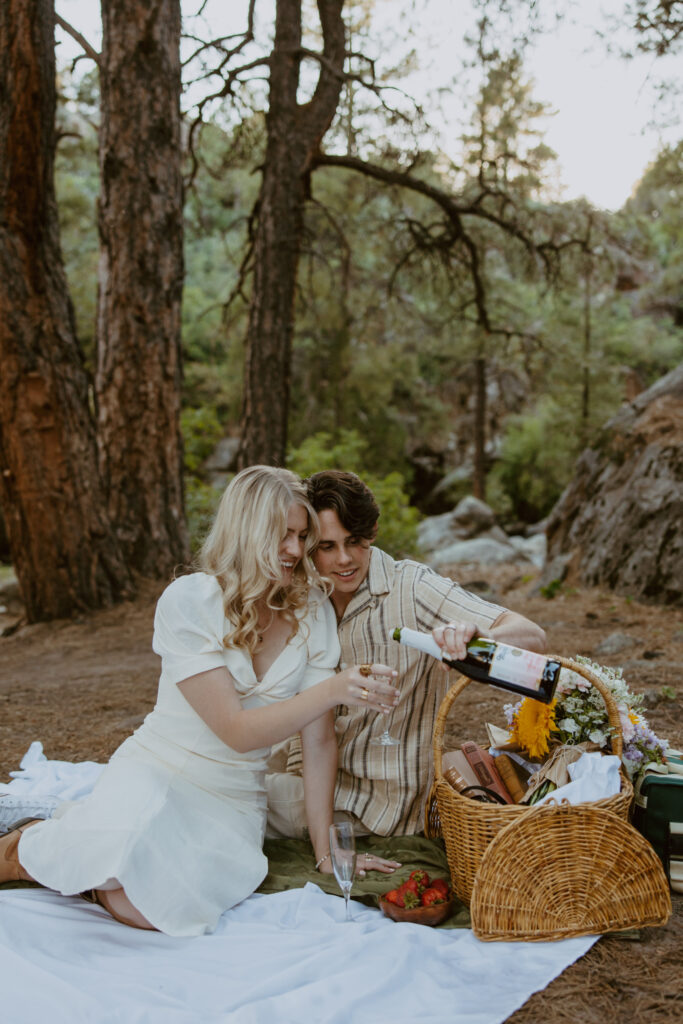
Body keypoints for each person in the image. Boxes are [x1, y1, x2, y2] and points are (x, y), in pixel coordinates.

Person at [0, 466, 401, 935]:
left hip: (232, 798)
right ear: (247, 531)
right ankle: (25, 848)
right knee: (118, 862)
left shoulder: (311, 610)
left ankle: (77, 853)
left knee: (151, 910)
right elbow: (234, 729)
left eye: (301, 536)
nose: (295, 550)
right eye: (283, 535)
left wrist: (325, 850)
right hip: (158, 767)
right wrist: (331, 690)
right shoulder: (189, 601)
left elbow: (319, 743)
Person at [266, 470, 547, 839]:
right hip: (307, 771)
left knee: (230, 799)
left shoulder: (411, 588)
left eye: (355, 541)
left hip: (370, 803)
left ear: (374, 531)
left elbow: (535, 638)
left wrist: (485, 636)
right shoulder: (305, 593)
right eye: (327, 547)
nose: (345, 559)